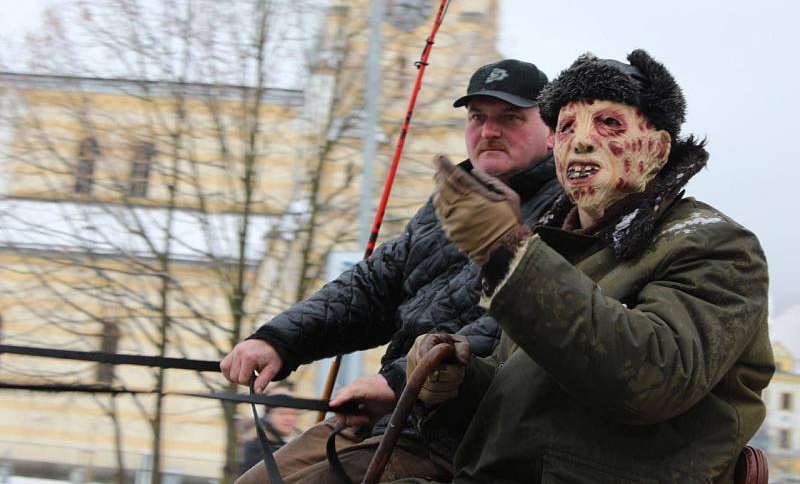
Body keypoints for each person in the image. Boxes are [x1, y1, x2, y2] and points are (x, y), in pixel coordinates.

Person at [405, 50, 775, 483]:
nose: (580, 141)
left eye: (609, 124)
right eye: (565, 127)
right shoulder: (559, 252)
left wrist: (510, 254)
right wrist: (460, 381)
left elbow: (651, 379)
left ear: (657, 148)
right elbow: (533, 401)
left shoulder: (717, 244)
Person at [221, 59, 563, 483]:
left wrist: (399, 383)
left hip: (459, 439)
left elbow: (512, 330)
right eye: (477, 117)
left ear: (551, 132)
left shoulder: (566, 210)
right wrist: (278, 340)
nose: (489, 131)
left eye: (510, 118)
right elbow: (372, 285)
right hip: (387, 423)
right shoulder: (446, 204)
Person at [239, 386, 300, 475]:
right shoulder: (256, 447)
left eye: (293, 414)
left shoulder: (295, 444)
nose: (289, 418)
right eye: (282, 413)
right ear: (268, 415)